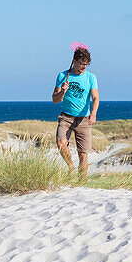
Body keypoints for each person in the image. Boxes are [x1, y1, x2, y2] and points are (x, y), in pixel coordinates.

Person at [51, 45, 99, 178]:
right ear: (74, 61)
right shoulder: (62, 76)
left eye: (86, 64)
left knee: (83, 154)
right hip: (66, 117)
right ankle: (71, 167)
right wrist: (63, 91)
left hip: (84, 119)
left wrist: (93, 113)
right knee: (61, 144)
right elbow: (55, 99)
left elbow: (95, 98)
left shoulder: (91, 77)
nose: (84, 67)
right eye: (81, 64)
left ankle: (81, 183)